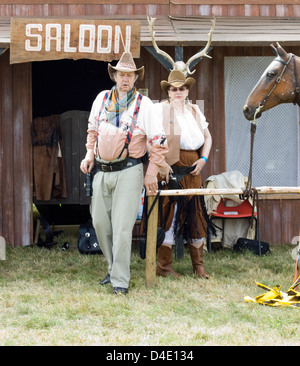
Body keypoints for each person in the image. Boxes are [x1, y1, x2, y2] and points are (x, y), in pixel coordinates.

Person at [80, 51, 168, 295]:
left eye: (130, 74)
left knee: (121, 227)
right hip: (101, 170)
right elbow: (92, 131)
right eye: (121, 74)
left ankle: (120, 281)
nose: (125, 78)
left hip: (129, 170)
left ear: (135, 78)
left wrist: (151, 173)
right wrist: (89, 155)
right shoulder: (101, 99)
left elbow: (159, 140)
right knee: (99, 222)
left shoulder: (145, 105)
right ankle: (112, 267)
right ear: (115, 75)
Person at [154, 69, 212, 279]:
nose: (178, 92)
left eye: (182, 88)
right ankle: (163, 266)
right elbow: (150, 138)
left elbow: (208, 137)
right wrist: (160, 164)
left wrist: (203, 159)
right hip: (171, 169)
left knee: (196, 214)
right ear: (168, 91)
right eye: (174, 89)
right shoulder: (160, 110)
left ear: (187, 91)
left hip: (194, 168)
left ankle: (198, 266)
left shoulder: (195, 110)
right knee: (170, 214)